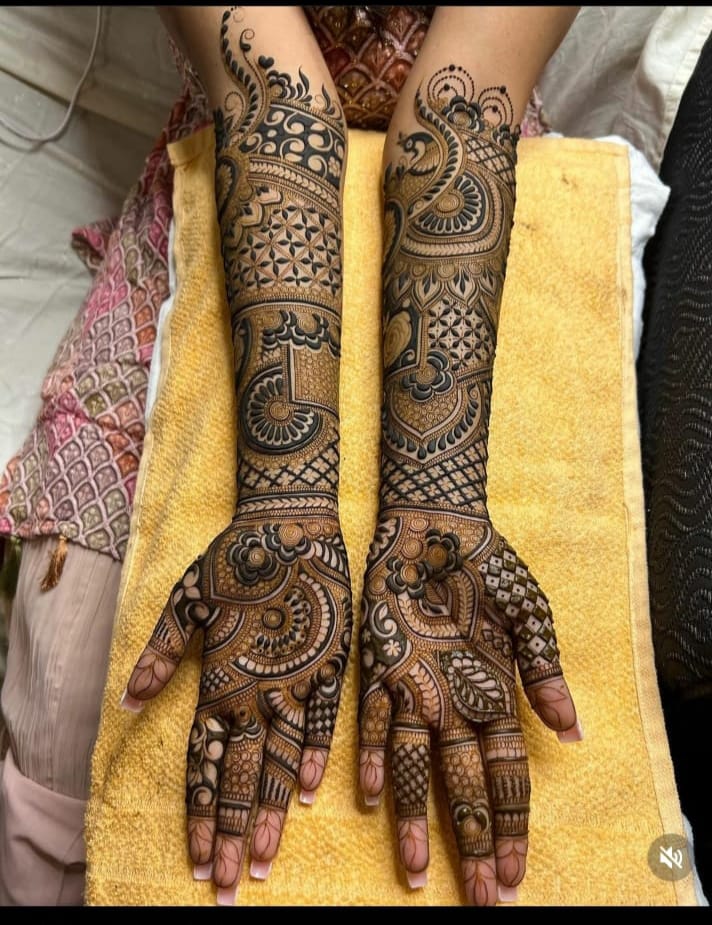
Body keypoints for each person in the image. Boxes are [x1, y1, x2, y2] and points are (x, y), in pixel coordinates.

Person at [121, 5, 582, 908]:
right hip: (238, 153)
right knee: (59, 700)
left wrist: (436, 498)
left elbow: (463, 107)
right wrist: (282, 499)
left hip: (483, 179)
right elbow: (275, 104)